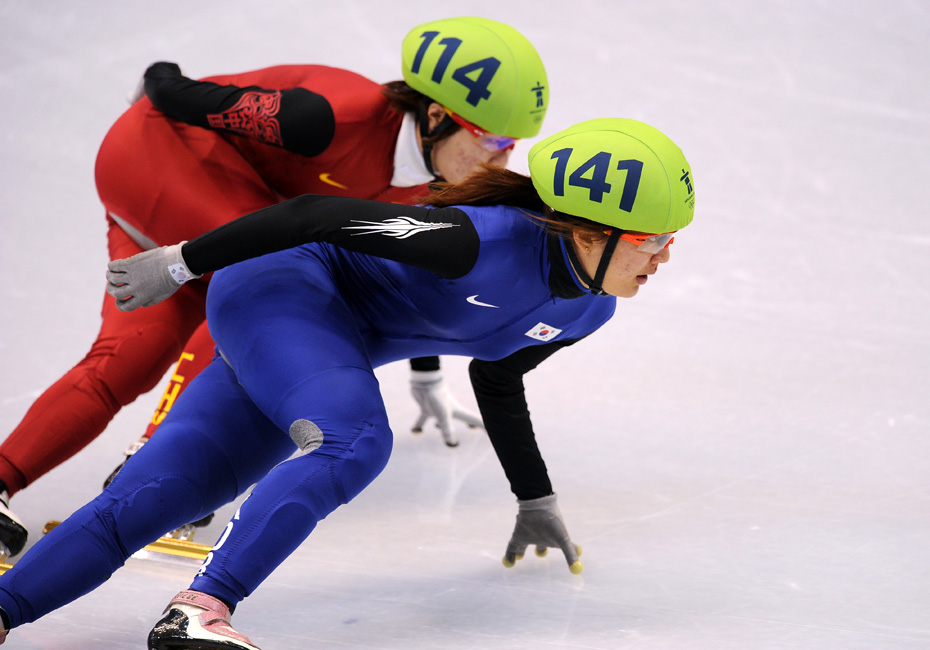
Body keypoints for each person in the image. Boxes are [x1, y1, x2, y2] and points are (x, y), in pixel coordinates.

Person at [0, 117, 695, 648]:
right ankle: (202, 609)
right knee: (355, 439)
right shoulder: (473, 239)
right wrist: (182, 263)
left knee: (157, 496)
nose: (663, 258)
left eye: (671, 241)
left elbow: (500, 379)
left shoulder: (589, 309)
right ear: (586, 230)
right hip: (280, 290)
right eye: (650, 241)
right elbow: (315, 216)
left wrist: (533, 496)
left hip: (319, 348)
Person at [0, 16, 549, 558]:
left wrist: (426, 376)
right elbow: (175, 95)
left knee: (131, 356)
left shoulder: (433, 187)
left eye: (512, 145)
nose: (502, 159)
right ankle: (154, 458)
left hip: (216, 221)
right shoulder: (330, 119)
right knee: (271, 283)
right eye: (494, 140)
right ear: (435, 114)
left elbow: (411, 272)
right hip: (154, 157)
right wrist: (160, 73)